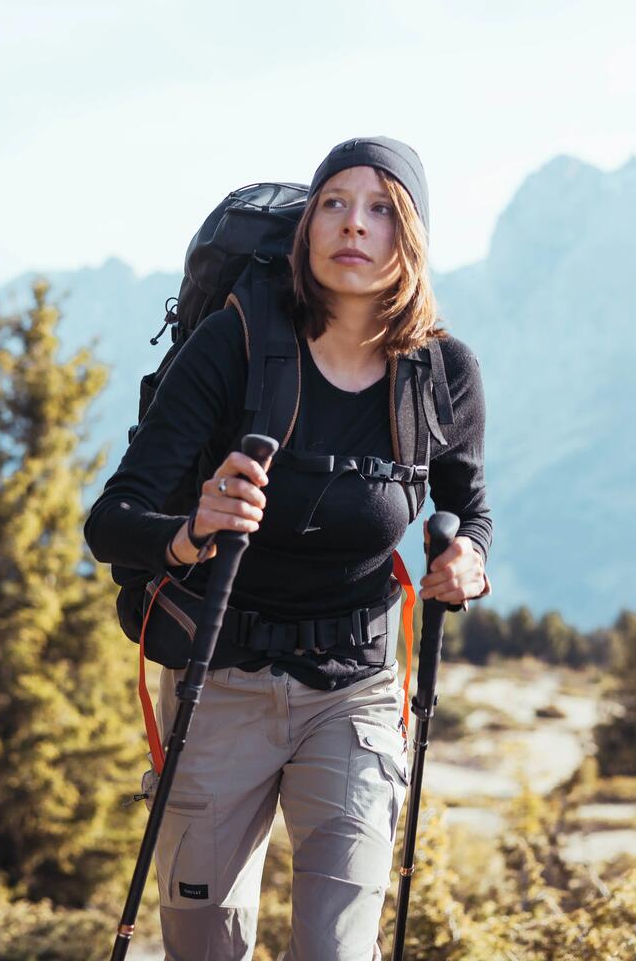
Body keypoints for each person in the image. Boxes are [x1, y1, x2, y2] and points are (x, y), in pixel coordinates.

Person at [84, 136, 492, 961]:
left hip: (359, 691)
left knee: (337, 950)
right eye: (335, 203)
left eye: (382, 209)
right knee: (205, 942)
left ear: (410, 239)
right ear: (307, 228)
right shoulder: (236, 344)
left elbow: (468, 509)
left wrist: (468, 560)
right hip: (222, 679)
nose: (354, 224)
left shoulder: (439, 370)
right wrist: (193, 530)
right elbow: (112, 521)